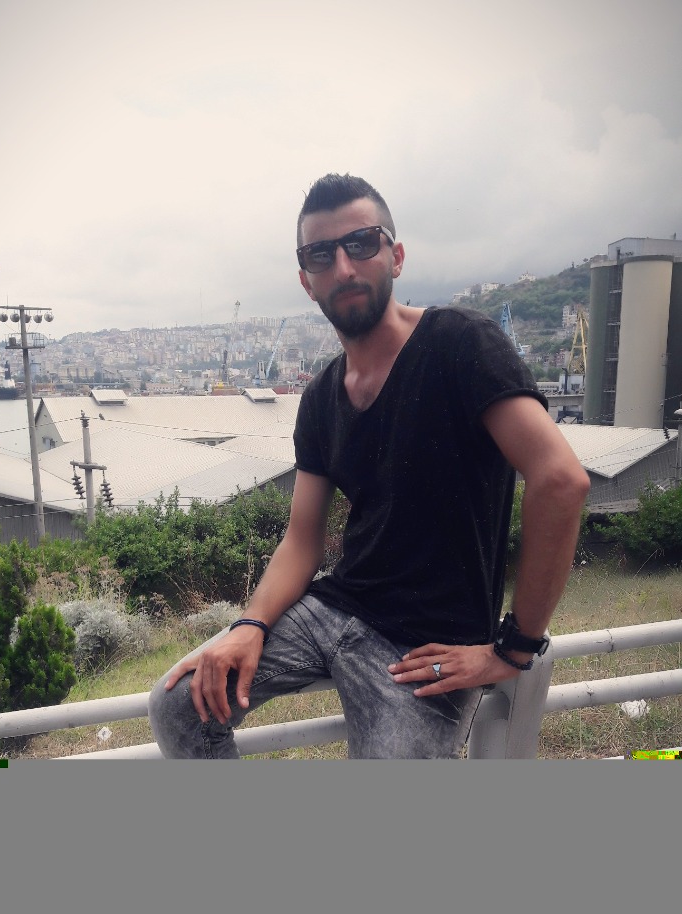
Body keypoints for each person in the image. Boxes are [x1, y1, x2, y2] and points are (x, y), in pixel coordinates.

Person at [148, 173, 590, 758]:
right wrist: (249, 625)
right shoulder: (321, 395)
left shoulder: (460, 343)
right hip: (334, 607)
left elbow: (561, 480)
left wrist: (515, 646)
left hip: (425, 647)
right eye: (320, 254)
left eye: (361, 243)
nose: (344, 267)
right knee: (178, 703)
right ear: (306, 281)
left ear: (395, 256)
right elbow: (301, 539)